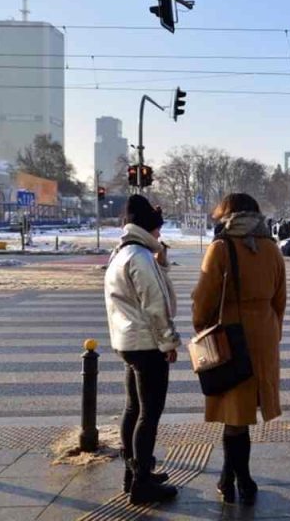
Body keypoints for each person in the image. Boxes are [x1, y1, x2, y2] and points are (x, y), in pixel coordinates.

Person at [192, 193, 287, 505]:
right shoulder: (272, 248)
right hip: (264, 333)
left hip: (231, 336)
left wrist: (201, 327)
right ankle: (232, 478)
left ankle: (240, 480)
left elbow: (204, 298)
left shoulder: (221, 248)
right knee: (242, 415)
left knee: (235, 415)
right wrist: (273, 333)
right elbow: (280, 298)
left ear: (227, 215)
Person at [104, 195, 180, 505]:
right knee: (149, 413)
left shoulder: (120, 252)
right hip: (147, 344)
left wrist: (160, 261)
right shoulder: (141, 257)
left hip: (126, 342)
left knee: (133, 409)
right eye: (159, 230)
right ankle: (142, 483)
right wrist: (169, 342)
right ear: (150, 229)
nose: (161, 236)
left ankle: (132, 472)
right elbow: (156, 304)